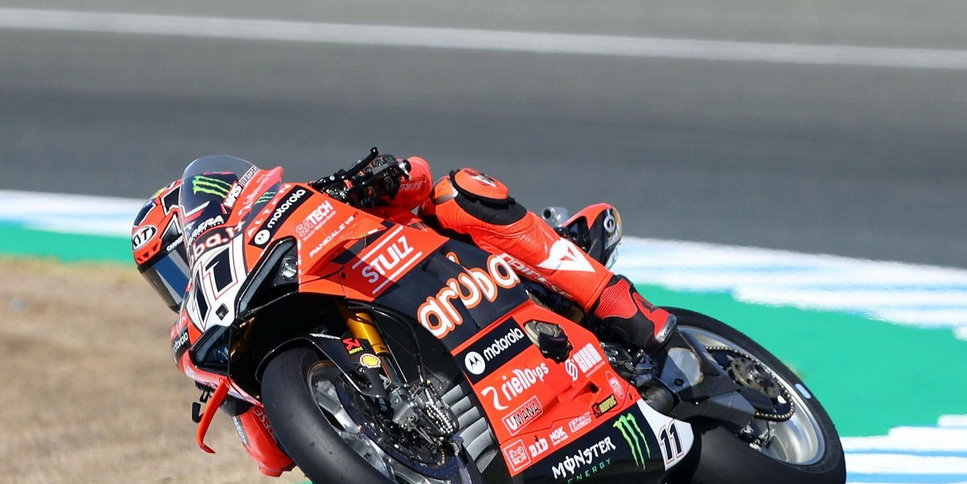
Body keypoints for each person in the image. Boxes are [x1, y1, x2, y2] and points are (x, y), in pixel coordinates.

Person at [131, 153, 674, 354]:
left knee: (459, 189)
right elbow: (271, 458)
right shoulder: (209, 340)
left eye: (181, 260)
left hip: (456, 270)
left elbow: (414, 177)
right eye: (168, 279)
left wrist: (372, 179)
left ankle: (611, 298)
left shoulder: (302, 208)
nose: (183, 284)